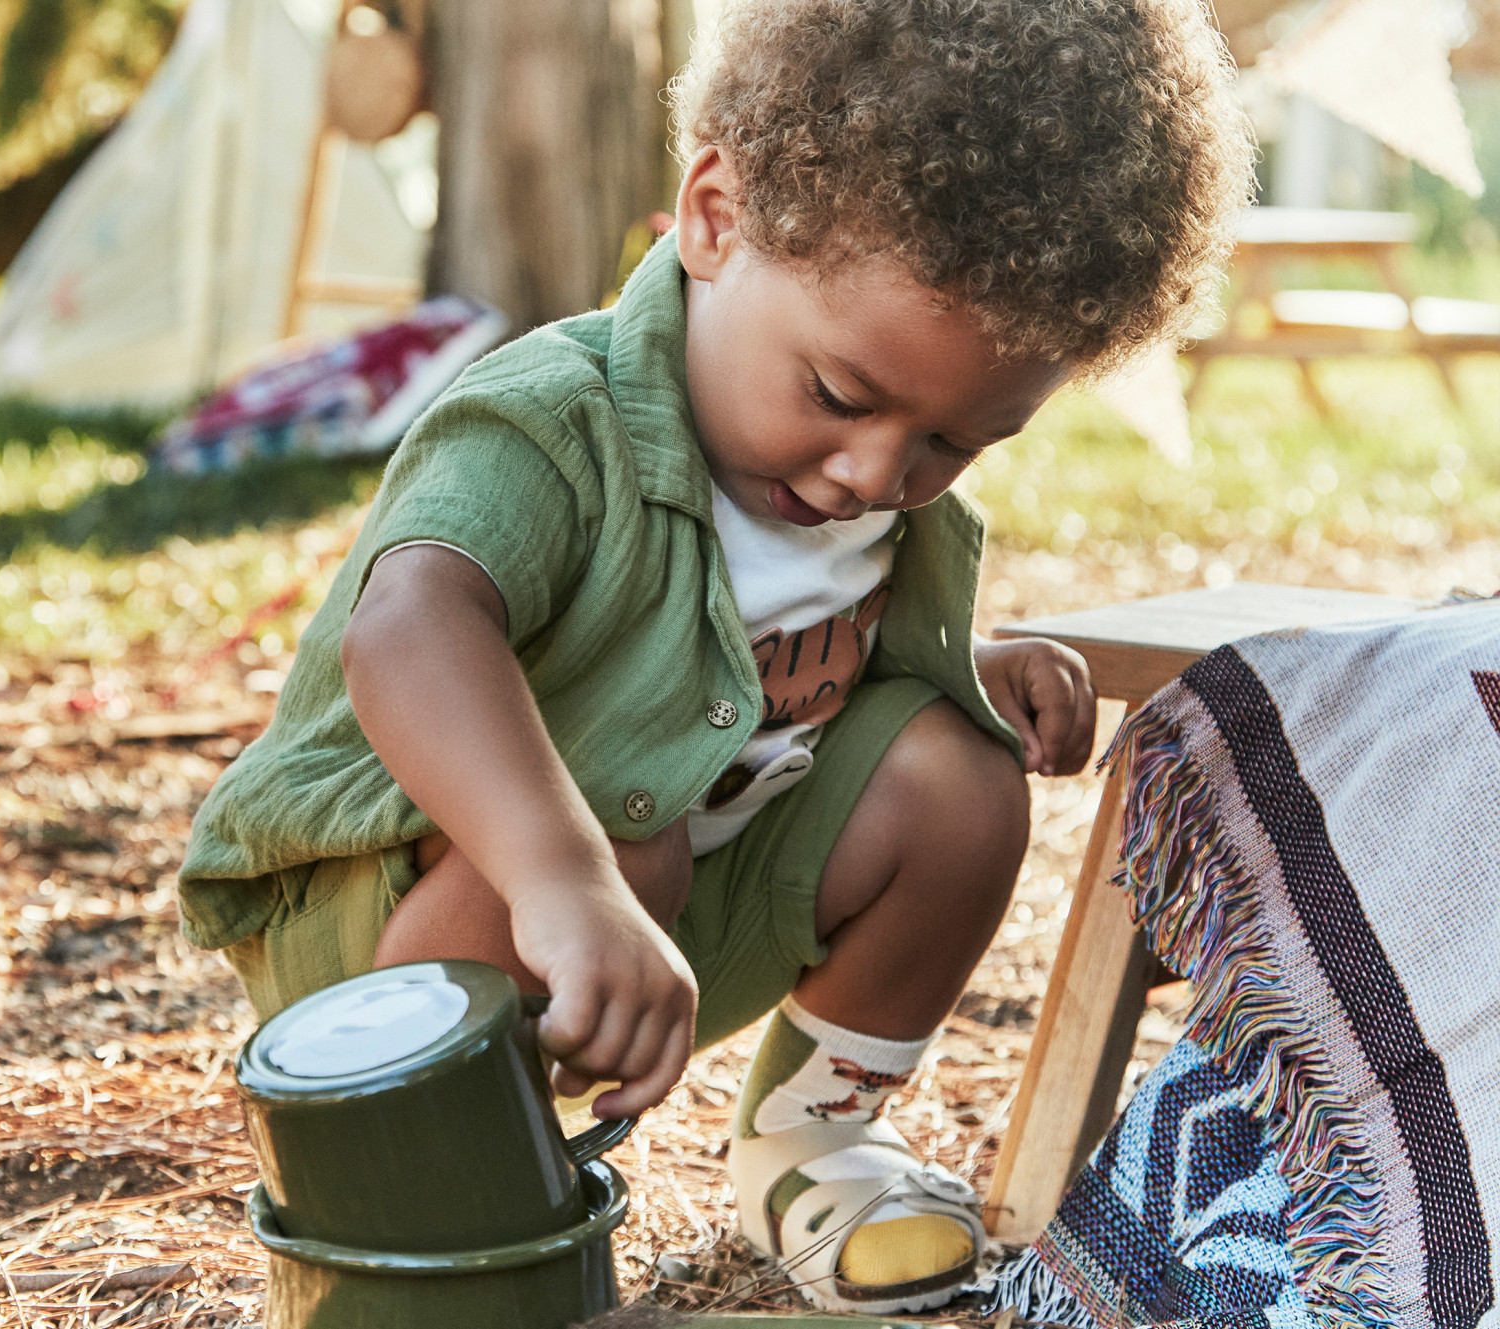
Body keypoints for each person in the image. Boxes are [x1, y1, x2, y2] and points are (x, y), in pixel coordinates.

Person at [178, 0, 1252, 1311]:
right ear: (713, 215)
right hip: (402, 930)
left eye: (955, 443)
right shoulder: (551, 424)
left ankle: (817, 1138)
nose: (874, 473)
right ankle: (428, 1194)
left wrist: (960, 653)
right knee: (629, 836)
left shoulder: (854, 489)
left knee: (961, 779)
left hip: (665, 901)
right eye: (844, 397)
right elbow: (406, 631)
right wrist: (564, 879)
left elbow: (742, 646)